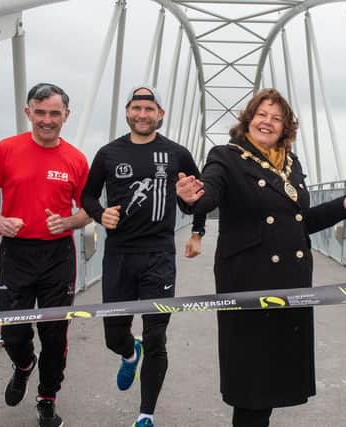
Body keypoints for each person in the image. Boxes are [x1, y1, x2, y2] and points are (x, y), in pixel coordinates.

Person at [176, 88, 346, 427]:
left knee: (269, 384)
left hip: (290, 283)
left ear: (286, 127)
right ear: (248, 119)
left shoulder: (291, 163)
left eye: (276, 118)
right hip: (248, 282)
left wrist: (344, 205)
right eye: (261, 115)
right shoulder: (226, 156)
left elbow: (301, 223)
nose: (267, 122)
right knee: (251, 385)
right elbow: (209, 192)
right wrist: (192, 198)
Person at [80, 85, 205, 427]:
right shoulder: (108, 153)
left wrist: (197, 231)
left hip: (159, 256)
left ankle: (145, 414)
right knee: (113, 337)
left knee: (156, 337)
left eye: (150, 109)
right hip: (118, 256)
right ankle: (127, 352)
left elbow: (198, 195)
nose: (143, 114)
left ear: (160, 115)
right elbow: (88, 196)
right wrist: (100, 214)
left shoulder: (177, 153)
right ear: (127, 112)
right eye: (137, 108)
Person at [0, 83, 90, 427]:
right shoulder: (6, 150)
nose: (47, 120)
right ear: (28, 113)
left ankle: (47, 398)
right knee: (13, 332)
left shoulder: (76, 159)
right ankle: (24, 366)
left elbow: (88, 210)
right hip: (17, 254)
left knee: (54, 334)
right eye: (40, 113)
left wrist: (68, 220)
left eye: (55, 113)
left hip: (58, 256)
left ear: (66, 116)